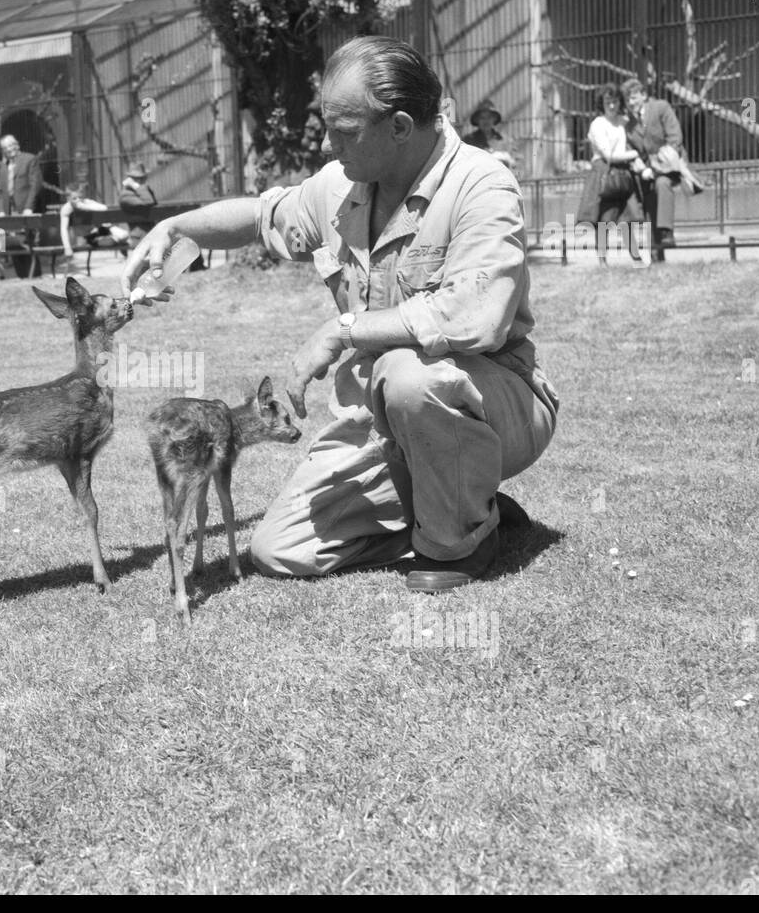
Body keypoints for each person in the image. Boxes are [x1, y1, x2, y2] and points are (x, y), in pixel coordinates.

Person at [122, 36, 560, 592]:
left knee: (409, 374)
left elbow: (476, 317)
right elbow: (263, 216)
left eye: (345, 130)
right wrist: (176, 228)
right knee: (279, 550)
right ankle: (455, 500)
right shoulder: (342, 186)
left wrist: (342, 328)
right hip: (380, 422)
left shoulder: (482, 185)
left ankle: (459, 542)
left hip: (495, 402)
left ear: (400, 126)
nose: (329, 144)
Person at [576, 83, 646, 261]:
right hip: (604, 172)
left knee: (629, 217)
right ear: (602, 103)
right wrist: (635, 154)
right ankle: (602, 259)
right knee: (604, 219)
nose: (612, 106)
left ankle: (636, 257)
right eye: (608, 102)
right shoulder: (598, 124)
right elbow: (608, 155)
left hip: (623, 173)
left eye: (615, 101)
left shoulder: (623, 122)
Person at [621, 78, 683, 261]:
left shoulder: (661, 108)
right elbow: (631, 150)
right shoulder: (629, 126)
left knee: (662, 184)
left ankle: (666, 232)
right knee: (650, 199)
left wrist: (656, 168)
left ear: (644, 95)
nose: (630, 103)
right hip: (646, 174)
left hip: (670, 165)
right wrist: (639, 166)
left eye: (633, 98)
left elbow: (675, 139)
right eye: (627, 100)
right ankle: (657, 254)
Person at [461, 98, 520, 175]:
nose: (486, 121)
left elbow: (517, 165)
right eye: (482, 118)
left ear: (494, 119)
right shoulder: (468, 141)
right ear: (477, 120)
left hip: (502, 182)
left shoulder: (506, 141)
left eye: (489, 117)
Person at [0, 134, 43, 215]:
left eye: (10, 145)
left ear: (17, 145)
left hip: (26, 209)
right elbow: (1, 191)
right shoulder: (3, 166)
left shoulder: (30, 159)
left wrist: (29, 207)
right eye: (4, 148)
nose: (8, 149)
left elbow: (35, 185)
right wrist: (1, 210)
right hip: (8, 211)